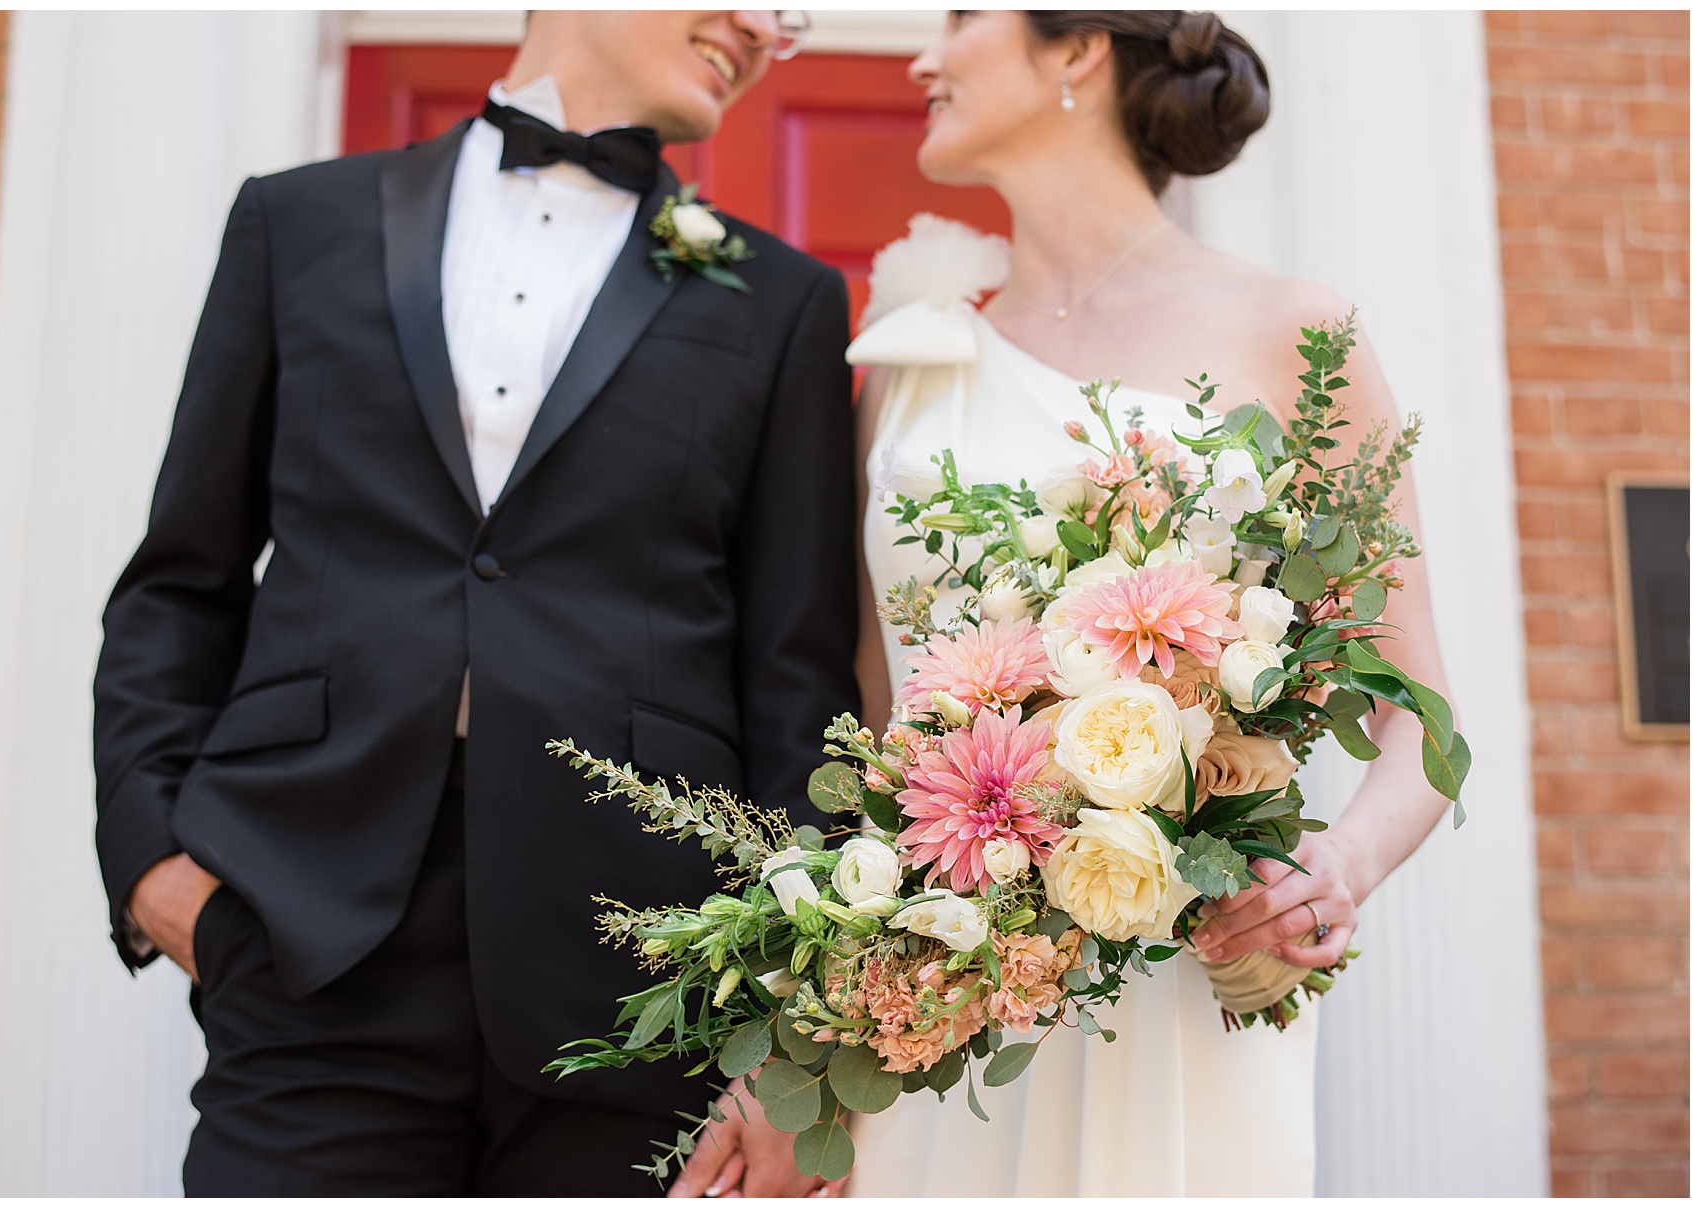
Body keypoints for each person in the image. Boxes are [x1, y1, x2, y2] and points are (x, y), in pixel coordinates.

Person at [92, 11, 859, 1196]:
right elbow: (181, 578)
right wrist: (148, 856)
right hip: (308, 928)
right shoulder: (294, 223)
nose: (764, 27)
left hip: (642, 964)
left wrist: (795, 1026)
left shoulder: (783, 301)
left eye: (788, 13)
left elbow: (795, 677)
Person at [840, 11, 1454, 1196]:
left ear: (1076, 50)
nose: (922, 56)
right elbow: (877, 728)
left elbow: (1420, 721)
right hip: (945, 989)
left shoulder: (1294, 337)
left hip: (1179, 974)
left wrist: (1340, 863)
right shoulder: (909, 368)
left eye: (964, 15)